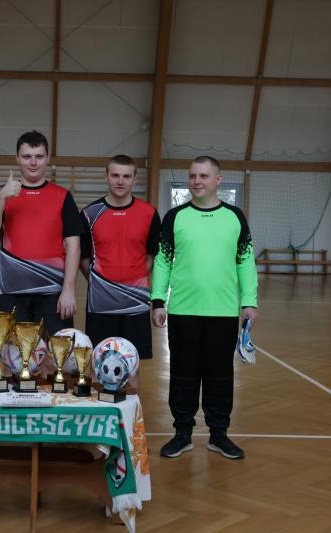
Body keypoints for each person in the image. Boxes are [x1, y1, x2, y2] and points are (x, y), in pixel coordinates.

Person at [152, 156, 258, 461]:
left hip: (223, 313)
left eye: (204, 176)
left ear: (218, 180)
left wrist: (249, 301)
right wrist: (158, 300)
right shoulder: (175, 217)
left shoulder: (235, 217)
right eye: (193, 176)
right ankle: (182, 434)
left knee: (220, 377)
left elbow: (245, 261)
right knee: (182, 376)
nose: (197, 181)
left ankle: (219, 435)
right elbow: (162, 260)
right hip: (182, 311)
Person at [0, 130, 83, 333]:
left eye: (39, 156)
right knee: (9, 352)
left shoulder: (63, 196)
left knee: (52, 352)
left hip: (52, 293)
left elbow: (74, 247)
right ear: (17, 159)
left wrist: (69, 290)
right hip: (10, 292)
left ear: (48, 158)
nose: (33, 163)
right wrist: (1, 198)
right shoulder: (1, 193)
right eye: (27, 157)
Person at [80, 155, 160, 391]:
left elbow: (151, 257)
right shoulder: (89, 214)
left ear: (135, 179)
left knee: (131, 364)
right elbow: (83, 258)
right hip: (100, 304)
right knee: (98, 363)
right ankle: (96, 412)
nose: (120, 181)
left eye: (126, 176)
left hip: (135, 303)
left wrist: (130, 283)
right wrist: (103, 285)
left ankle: (131, 413)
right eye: (115, 175)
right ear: (106, 176)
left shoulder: (149, 213)